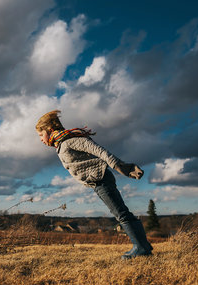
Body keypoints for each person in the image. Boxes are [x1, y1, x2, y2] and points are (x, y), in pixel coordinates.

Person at [35, 110, 153, 259]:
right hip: (97, 181)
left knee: (121, 213)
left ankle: (141, 248)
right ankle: (143, 245)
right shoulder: (61, 143)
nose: (40, 139)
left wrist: (121, 166)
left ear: (50, 130)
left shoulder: (70, 140)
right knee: (121, 212)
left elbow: (99, 151)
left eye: (40, 135)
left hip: (101, 179)